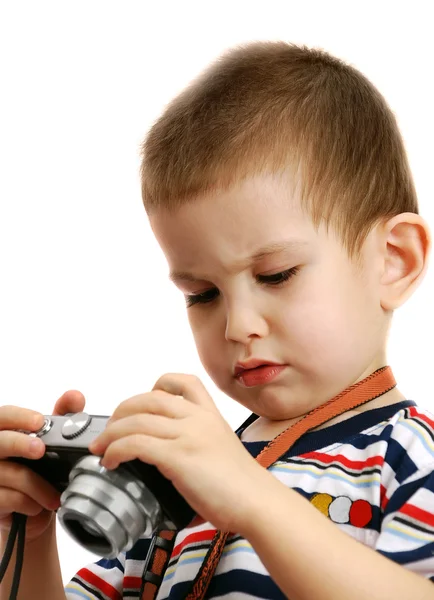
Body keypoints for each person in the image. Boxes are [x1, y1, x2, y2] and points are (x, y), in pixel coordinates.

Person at [1, 40, 433, 600]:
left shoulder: (407, 457)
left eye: (276, 275)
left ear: (393, 261)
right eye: (202, 293)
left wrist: (254, 500)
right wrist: (26, 534)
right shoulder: (176, 479)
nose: (237, 326)